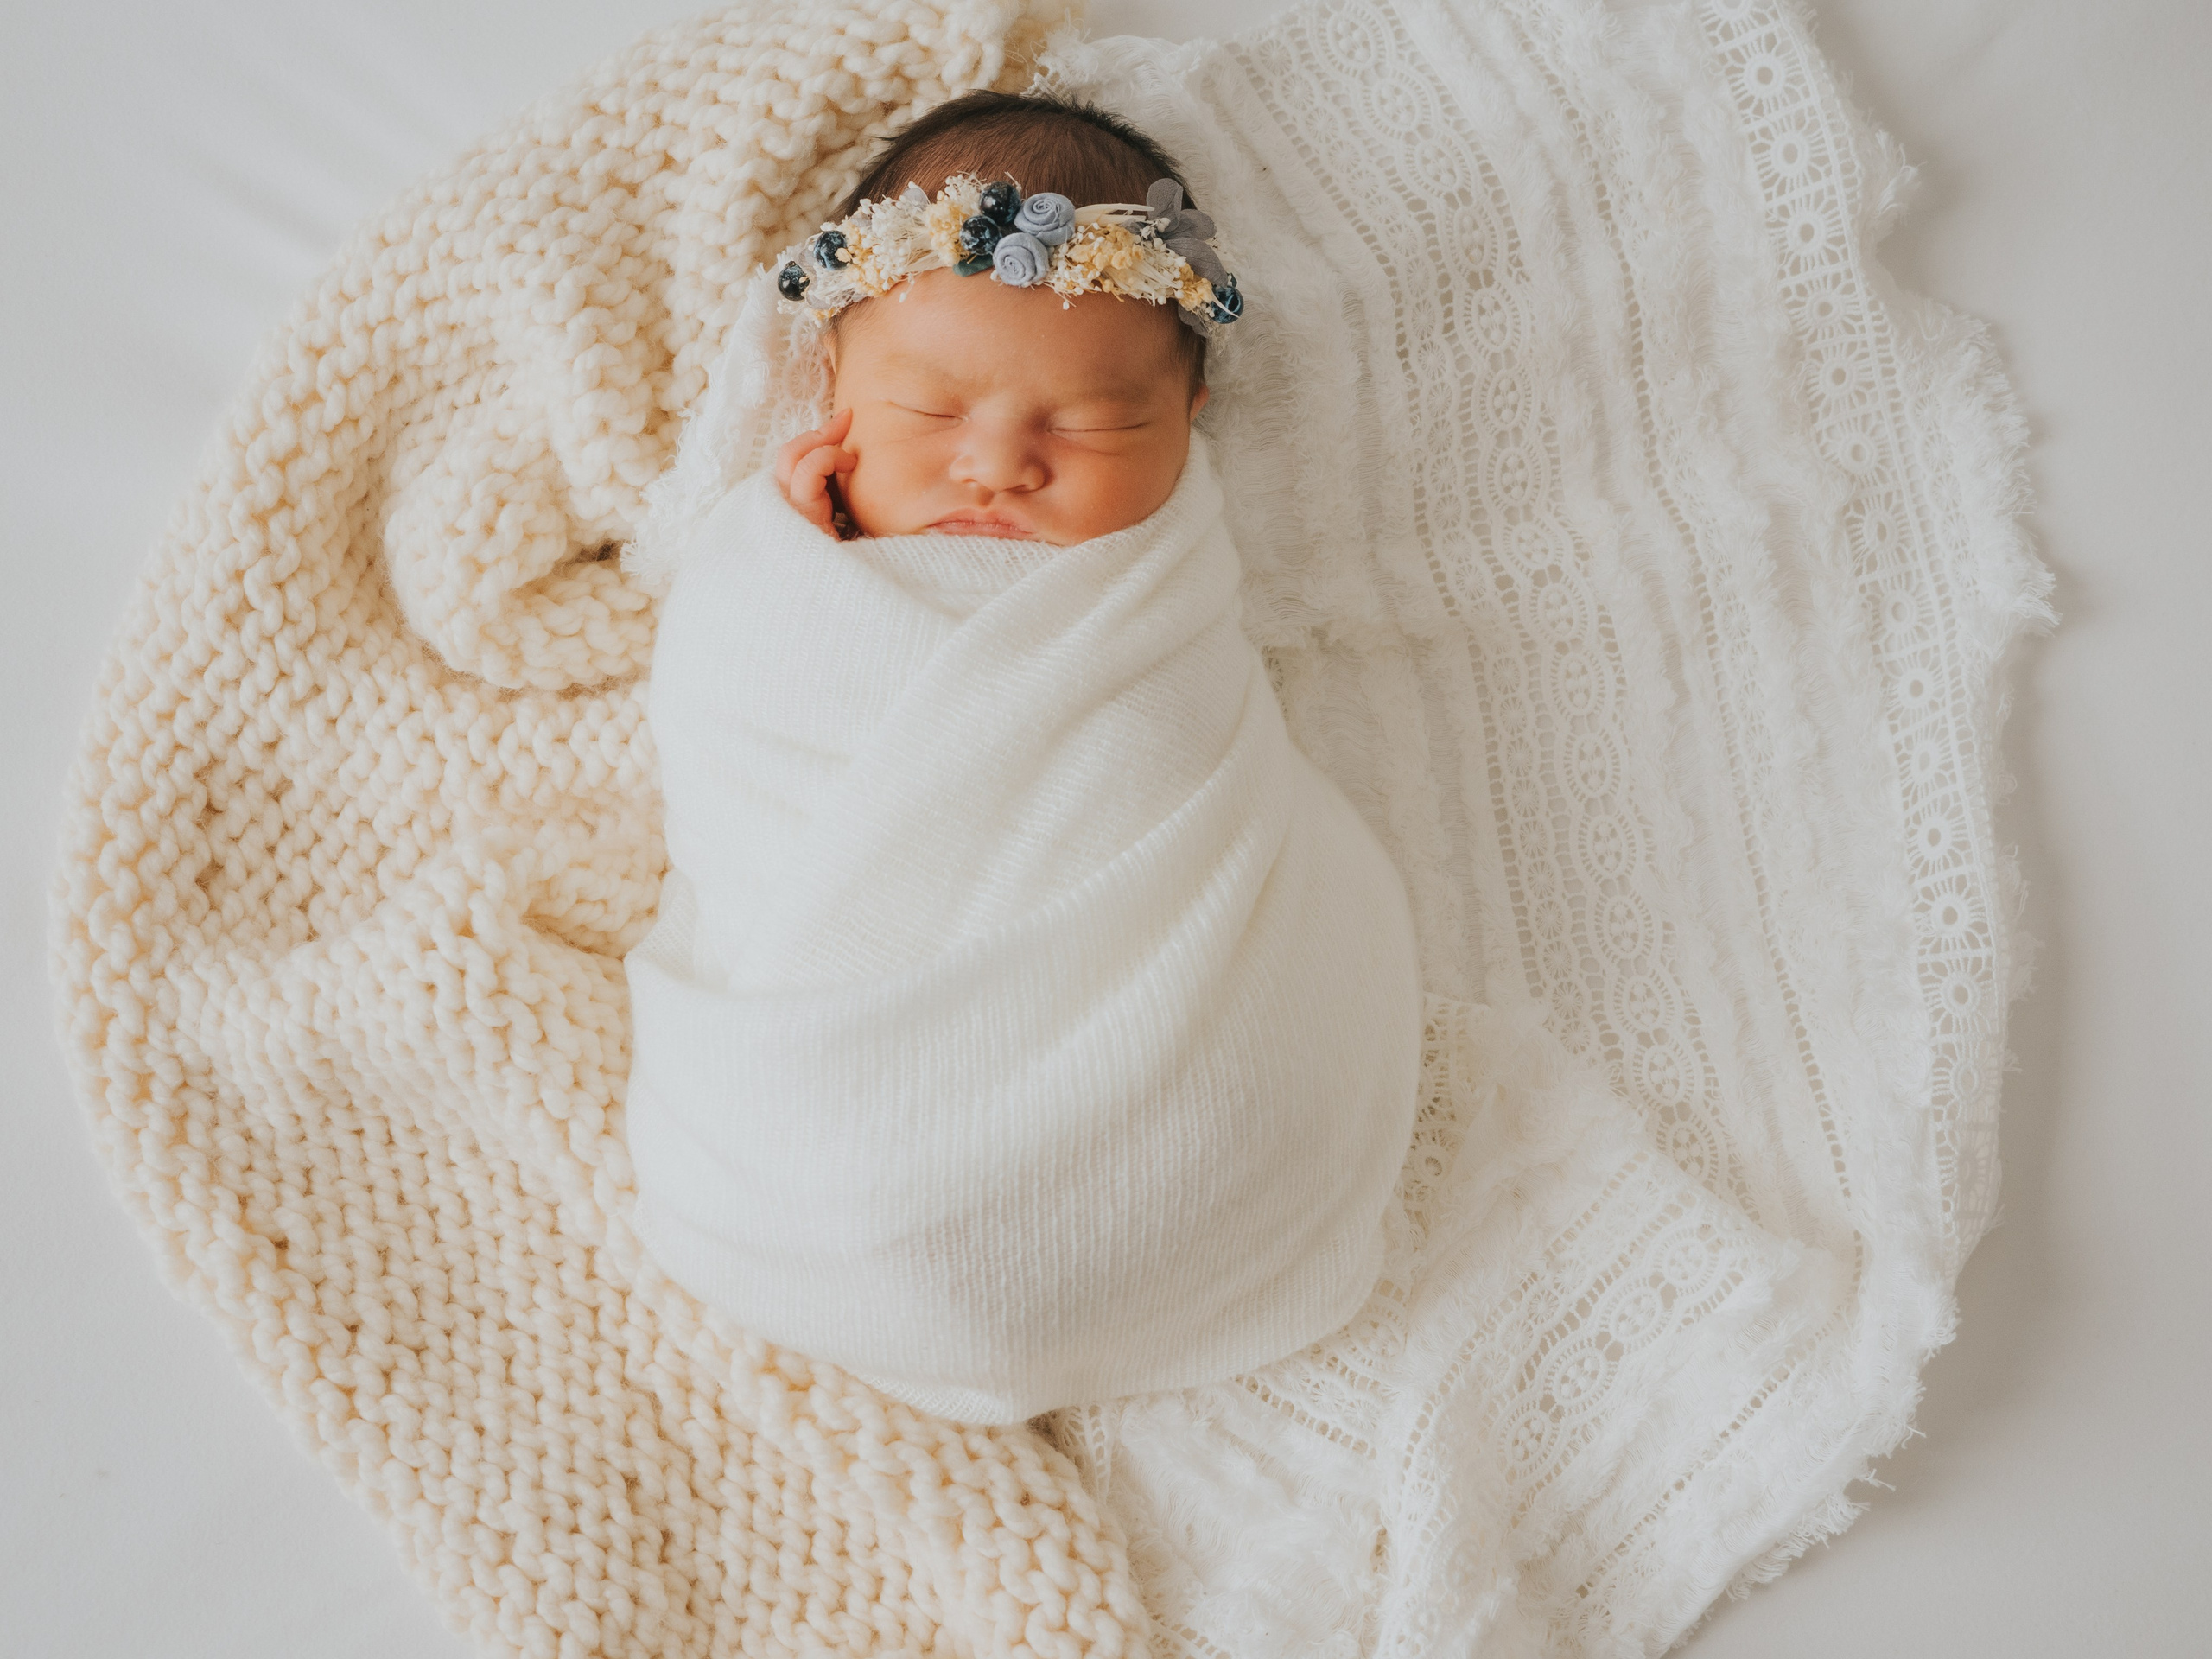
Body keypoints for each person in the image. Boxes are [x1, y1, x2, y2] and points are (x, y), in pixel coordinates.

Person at [620, 91, 1424, 1424]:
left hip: (1177, 1124)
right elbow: (726, 717)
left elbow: (1171, 759)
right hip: (809, 1141)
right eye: (930, 414)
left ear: (1190, 420)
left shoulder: (1157, 594)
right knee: (819, 1149)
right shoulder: (769, 589)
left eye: (1096, 427)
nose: (997, 467)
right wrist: (771, 555)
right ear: (831, 395)